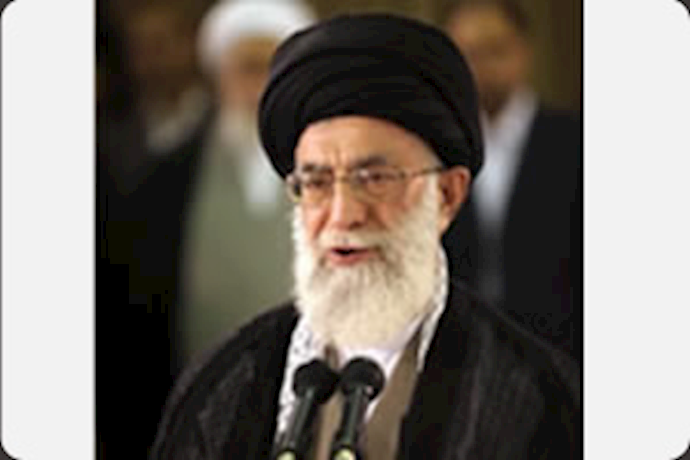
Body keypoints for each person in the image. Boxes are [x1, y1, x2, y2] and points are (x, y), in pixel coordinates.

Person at [150, 13, 581, 460]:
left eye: (375, 178)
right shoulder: (221, 385)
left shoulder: (541, 400)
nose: (343, 215)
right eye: (316, 182)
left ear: (447, 195)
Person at [443, 0, 583, 363]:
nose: (482, 67)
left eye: (495, 50)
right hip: (464, 354)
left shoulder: (575, 142)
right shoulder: (440, 151)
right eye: (468, 54)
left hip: (560, 351)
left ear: (523, 50)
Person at [180, 0, 316, 361]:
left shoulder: (330, 164)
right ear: (219, 74)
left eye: (272, 69)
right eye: (247, 69)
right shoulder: (174, 170)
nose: (259, 86)